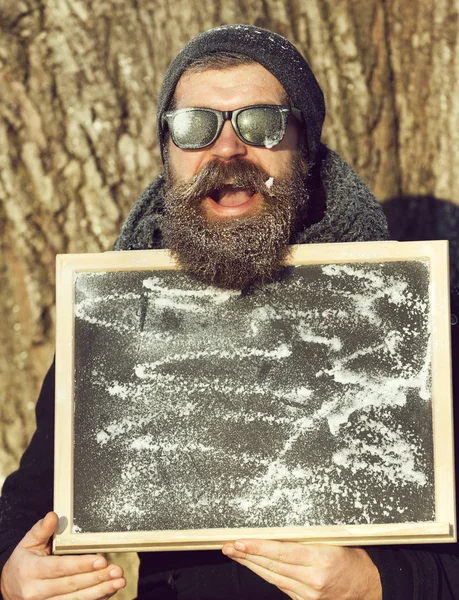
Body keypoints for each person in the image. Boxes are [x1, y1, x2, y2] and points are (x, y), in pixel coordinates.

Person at [0, 23, 458, 600]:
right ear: (168, 151)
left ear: (305, 146)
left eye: (260, 122)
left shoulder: (407, 310)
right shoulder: (117, 311)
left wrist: (380, 583)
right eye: (195, 126)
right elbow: (31, 495)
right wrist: (13, 573)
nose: (226, 148)